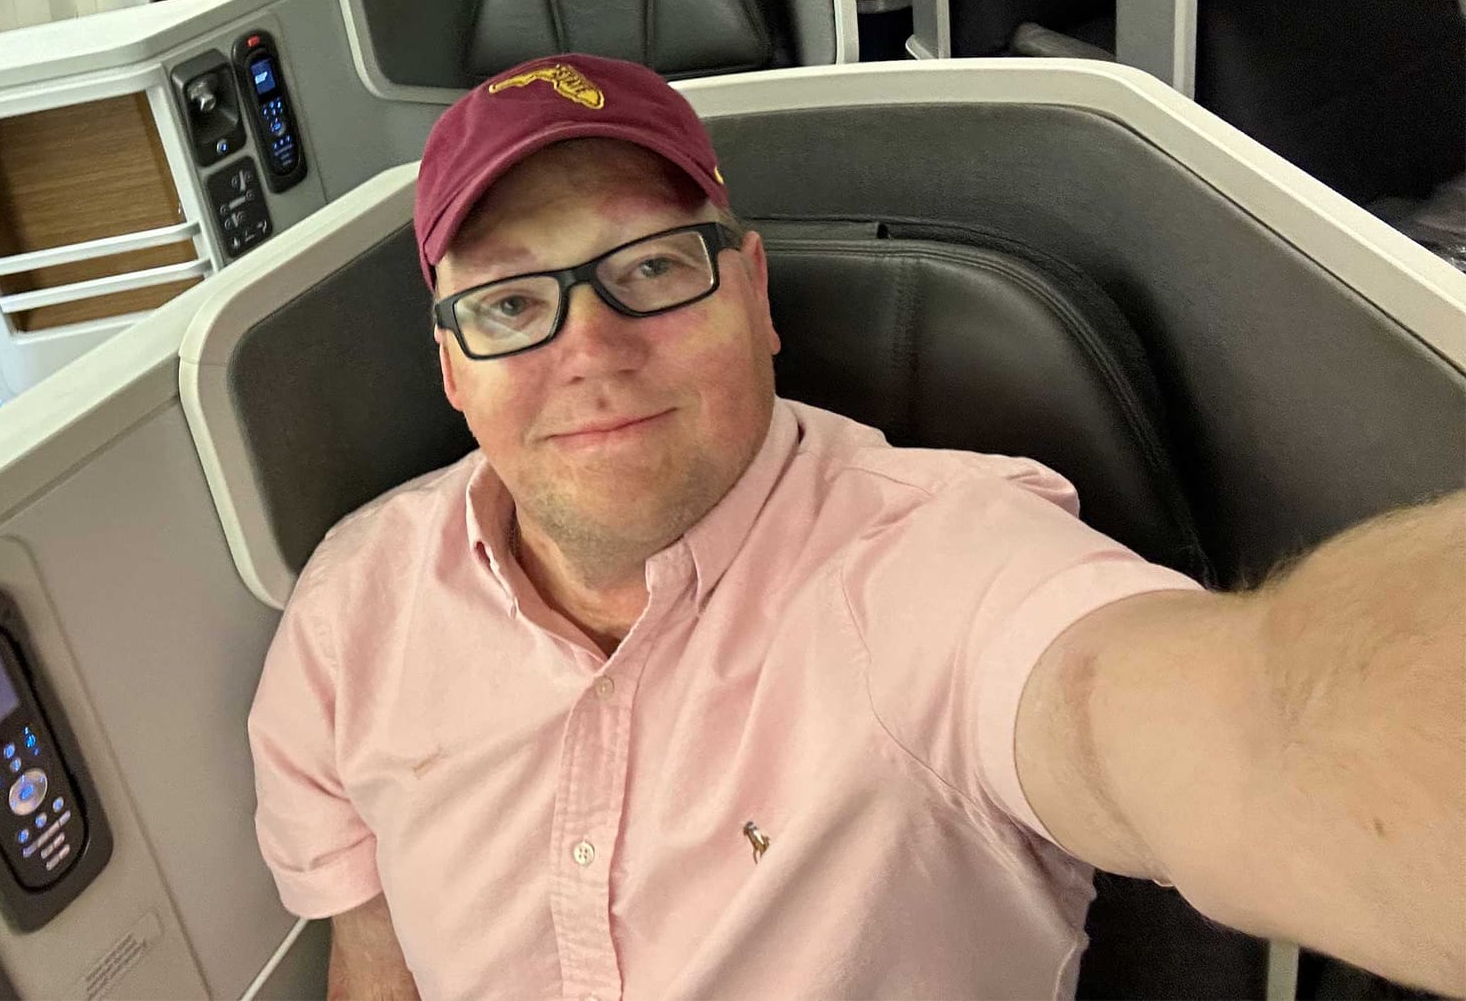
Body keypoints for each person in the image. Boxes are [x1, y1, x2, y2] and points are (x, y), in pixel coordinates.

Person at [248, 53, 1464, 1001]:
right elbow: (375, 963)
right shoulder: (353, 609)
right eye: (510, 301)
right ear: (452, 371)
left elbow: (1250, 721)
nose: (589, 349)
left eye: (653, 268)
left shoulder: (931, 565)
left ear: (754, 291)